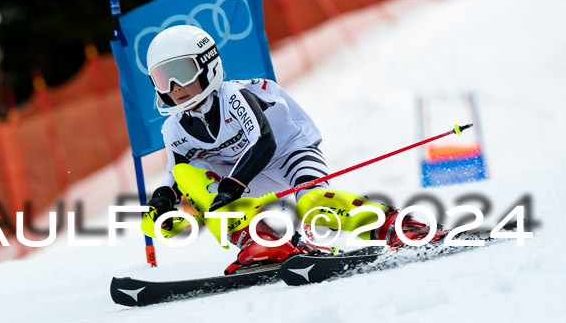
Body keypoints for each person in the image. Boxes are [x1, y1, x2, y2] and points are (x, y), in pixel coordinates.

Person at [141, 25, 440, 274]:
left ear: (207, 65)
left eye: (181, 72)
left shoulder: (234, 96)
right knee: (188, 175)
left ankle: (398, 226)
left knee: (314, 204)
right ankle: (265, 241)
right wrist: (163, 200)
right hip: (243, 177)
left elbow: (264, 142)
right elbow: (176, 173)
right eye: (161, 78)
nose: (174, 86)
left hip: (288, 155)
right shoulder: (174, 128)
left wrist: (232, 186)